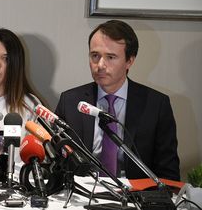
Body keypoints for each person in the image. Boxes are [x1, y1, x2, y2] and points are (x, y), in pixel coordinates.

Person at [55, 20, 180, 181]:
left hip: (135, 197)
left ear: (130, 61)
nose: (100, 65)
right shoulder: (71, 101)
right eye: (95, 56)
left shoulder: (156, 105)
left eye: (111, 57)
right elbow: (56, 161)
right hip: (81, 197)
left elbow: (168, 173)